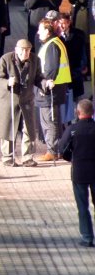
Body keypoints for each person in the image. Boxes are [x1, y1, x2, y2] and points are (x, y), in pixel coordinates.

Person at [0, 39, 44, 167]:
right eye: (23, 50)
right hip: (8, 100)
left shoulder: (35, 60)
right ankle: (8, 157)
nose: (26, 53)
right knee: (8, 128)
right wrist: (8, 82)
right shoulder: (6, 59)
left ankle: (27, 157)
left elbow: (38, 78)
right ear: (16, 50)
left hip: (26, 100)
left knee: (28, 129)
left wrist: (45, 83)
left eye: (28, 50)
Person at [57, 99, 95, 247]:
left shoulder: (73, 130)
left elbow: (62, 149)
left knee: (82, 206)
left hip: (79, 171)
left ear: (78, 112)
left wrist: (71, 159)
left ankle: (87, 237)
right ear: (92, 113)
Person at [35, 19, 71, 162]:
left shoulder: (51, 45)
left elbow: (51, 69)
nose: (38, 32)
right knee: (54, 119)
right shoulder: (55, 43)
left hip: (51, 88)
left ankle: (53, 151)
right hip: (57, 87)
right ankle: (57, 149)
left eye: (40, 30)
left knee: (49, 120)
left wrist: (44, 85)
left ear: (47, 31)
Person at [58, 12, 88, 123]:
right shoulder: (57, 36)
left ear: (69, 22)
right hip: (63, 75)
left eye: (64, 23)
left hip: (75, 72)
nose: (62, 26)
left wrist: (84, 66)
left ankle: (78, 121)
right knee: (65, 101)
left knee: (77, 98)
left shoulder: (78, 35)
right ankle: (67, 123)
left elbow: (83, 52)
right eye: (60, 23)